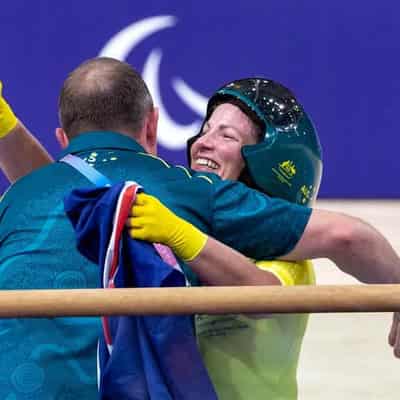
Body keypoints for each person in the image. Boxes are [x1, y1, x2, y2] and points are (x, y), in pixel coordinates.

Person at [0, 58, 399, 397]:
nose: (203, 142)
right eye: (205, 129)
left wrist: (183, 236)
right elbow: (82, 201)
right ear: (151, 125)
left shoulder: (277, 259)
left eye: (226, 136)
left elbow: (266, 287)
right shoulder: (182, 201)